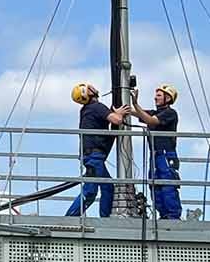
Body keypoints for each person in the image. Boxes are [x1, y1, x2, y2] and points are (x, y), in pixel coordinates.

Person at [121, 83, 183, 220]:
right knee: (155, 185)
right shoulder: (156, 112)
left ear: (168, 98)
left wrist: (135, 103)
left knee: (167, 185)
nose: (155, 98)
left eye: (159, 95)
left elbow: (150, 120)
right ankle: (164, 215)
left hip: (166, 154)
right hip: (155, 155)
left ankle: (173, 216)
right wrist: (121, 108)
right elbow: (140, 113)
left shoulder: (170, 113)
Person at [64, 83, 124, 217]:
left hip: (90, 155)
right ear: (88, 93)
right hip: (94, 156)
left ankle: (103, 217)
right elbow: (117, 120)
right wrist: (119, 113)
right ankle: (71, 218)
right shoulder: (96, 107)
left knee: (106, 187)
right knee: (92, 190)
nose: (93, 86)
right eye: (89, 87)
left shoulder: (87, 110)